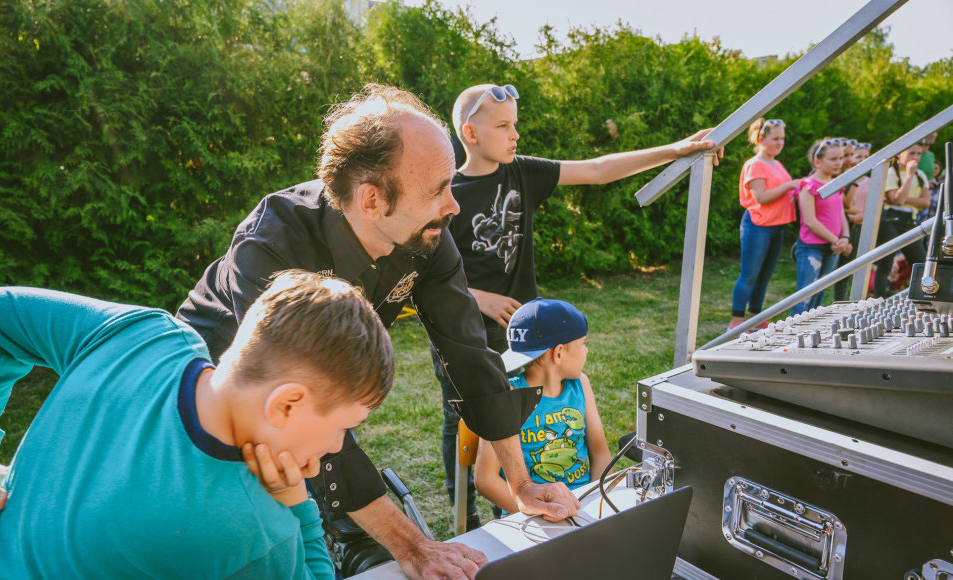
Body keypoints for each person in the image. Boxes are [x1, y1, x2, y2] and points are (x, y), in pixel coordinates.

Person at [175, 84, 579, 580]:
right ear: (372, 199)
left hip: (310, 409)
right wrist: (412, 543)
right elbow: (301, 405)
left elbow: (470, 354)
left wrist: (521, 483)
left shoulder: (427, 232)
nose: (453, 206)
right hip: (211, 406)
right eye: (437, 191)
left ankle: (347, 535)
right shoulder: (274, 245)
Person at [0, 271, 393, 579]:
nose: (339, 446)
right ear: (286, 404)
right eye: (345, 425)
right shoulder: (251, 533)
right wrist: (297, 506)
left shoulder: (143, 335)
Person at [434, 83, 720, 525]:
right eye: (504, 125)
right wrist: (480, 298)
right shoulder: (445, 193)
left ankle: (520, 507)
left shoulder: (521, 172)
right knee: (469, 426)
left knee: (523, 421)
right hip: (463, 336)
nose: (516, 135)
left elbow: (599, 169)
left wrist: (676, 150)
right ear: (470, 133)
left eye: (516, 124)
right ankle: (467, 522)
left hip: (528, 338)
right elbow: (422, 270)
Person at [474, 298, 611, 516]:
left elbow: (601, 453)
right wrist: (543, 514)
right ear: (559, 353)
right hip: (531, 519)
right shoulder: (507, 395)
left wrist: (594, 503)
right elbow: (485, 480)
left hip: (583, 507)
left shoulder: (581, 385)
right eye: (582, 343)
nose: (585, 351)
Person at [728, 118, 800, 330]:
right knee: (749, 275)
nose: (780, 143)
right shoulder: (754, 165)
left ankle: (756, 317)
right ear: (761, 139)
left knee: (765, 276)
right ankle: (736, 321)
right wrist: (789, 185)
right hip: (758, 226)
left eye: (782, 139)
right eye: (775, 138)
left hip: (777, 226)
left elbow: (783, 192)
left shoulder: (777, 163)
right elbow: (761, 197)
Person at [789, 138, 851, 316]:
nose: (839, 162)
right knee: (805, 296)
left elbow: (841, 214)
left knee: (818, 297)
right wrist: (837, 240)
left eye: (840, 158)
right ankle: (791, 338)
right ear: (817, 161)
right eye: (833, 159)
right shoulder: (807, 186)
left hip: (833, 247)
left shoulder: (836, 184)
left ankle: (808, 338)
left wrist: (845, 237)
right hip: (811, 247)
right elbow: (810, 220)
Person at [872, 142, 929, 298]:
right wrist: (909, 176)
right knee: (886, 264)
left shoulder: (921, 174)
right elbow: (896, 200)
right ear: (899, 154)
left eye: (918, 154)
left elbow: (926, 202)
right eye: (912, 153)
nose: (915, 158)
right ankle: (878, 301)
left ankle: (922, 297)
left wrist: (903, 198)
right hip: (890, 220)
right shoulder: (890, 173)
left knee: (920, 263)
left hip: (910, 221)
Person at [834, 141, 872, 301]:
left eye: (866, 157)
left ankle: (841, 303)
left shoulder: (868, 181)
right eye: (857, 156)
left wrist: (853, 215)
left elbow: (860, 208)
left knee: (846, 269)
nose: (861, 160)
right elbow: (845, 205)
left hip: (857, 227)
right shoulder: (842, 178)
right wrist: (850, 214)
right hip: (840, 225)